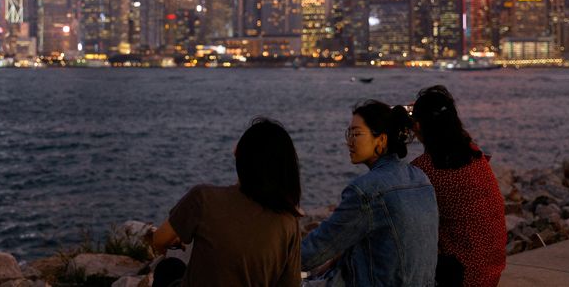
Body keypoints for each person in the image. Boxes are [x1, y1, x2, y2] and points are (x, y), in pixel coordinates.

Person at [149, 117, 302, 287]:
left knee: (168, 268)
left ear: (238, 154)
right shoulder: (289, 223)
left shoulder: (203, 198)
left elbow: (159, 241)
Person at [301, 101, 438, 286]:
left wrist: (274, 261)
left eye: (356, 134)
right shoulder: (421, 179)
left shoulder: (366, 190)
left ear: (381, 140)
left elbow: (316, 249)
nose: (349, 141)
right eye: (349, 133)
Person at [410, 85, 506, 287]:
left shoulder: (423, 170)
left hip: (461, 278)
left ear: (417, 126)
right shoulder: (474, 154)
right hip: (490, 273)